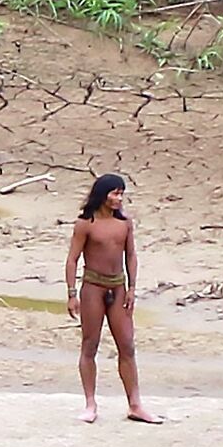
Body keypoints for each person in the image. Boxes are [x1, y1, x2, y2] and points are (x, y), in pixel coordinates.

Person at [64, 174, 161, 424]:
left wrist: (132, 288)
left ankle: (135, 404)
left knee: (127, 345)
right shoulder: (86, 223)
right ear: (102, 194)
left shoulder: (125, 223)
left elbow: (131, 256)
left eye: (121, 194)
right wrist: (72, 292)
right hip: (93, 287)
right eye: (114, 193)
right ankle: (90, 404)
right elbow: (73, 258)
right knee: (90, 345)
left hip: (117, 287)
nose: (118, 199)